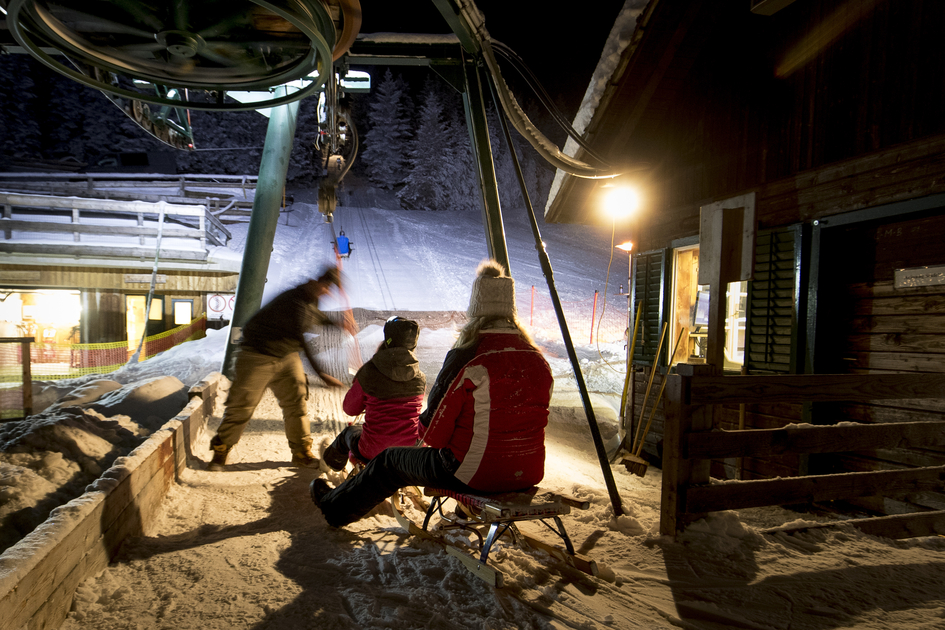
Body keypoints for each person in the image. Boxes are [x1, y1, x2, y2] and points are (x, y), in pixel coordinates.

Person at [309, 260, 554, 527]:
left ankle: (334, 508)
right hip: (528, 472)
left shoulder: (466, 356)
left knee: (389, 460)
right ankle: (464, 512)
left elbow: (433, 434)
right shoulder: (538, 359)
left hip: (472, 473)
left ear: (475, 315)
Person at [209, 268, 358, 472]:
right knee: (242, 405)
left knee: (297, 402)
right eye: (325, 288)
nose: (326, 293)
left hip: (286, 355)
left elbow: (315, 317)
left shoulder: (311, 299)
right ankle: (221, 449)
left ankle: (301, 452)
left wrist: (338, 324)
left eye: (329, 290)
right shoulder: (293, 301)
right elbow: (301, 337)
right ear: (316, 282)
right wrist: (322, 374)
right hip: (257, 355)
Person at [321, 316, 426, 471]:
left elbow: (350, 409)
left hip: (373, 449)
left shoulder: (369, 372)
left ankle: (331, 464)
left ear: (387, 339)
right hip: (409, 450)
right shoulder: (419, 377)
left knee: (349, 432)